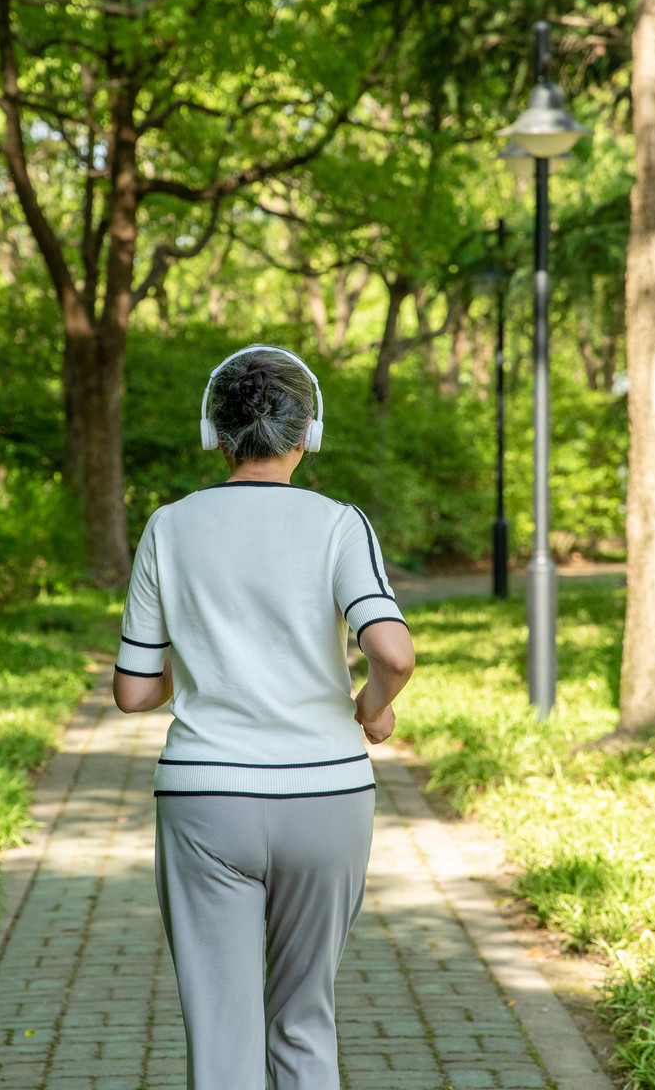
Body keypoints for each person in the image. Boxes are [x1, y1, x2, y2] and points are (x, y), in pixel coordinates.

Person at [114, 344, 417, 1090]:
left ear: (213, 434)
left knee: (221, 1035)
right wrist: (373, 712)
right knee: (304, 1018)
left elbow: (131, 692)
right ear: (307, 435)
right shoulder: (340, 524)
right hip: (327, 798)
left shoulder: (168, 526)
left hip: (205, 800)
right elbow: (394, 652)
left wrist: (200, 669)